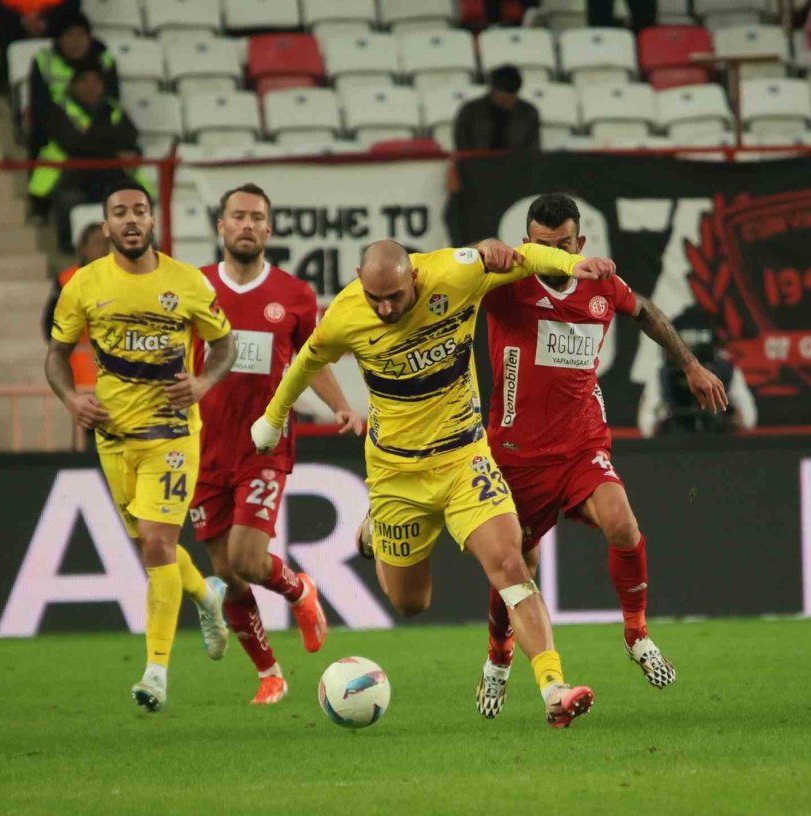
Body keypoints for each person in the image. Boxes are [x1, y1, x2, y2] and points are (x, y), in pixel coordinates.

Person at [252, 237, 618, 728]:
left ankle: (553, 687)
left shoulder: (455, 273)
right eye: (374, 297)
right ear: (360, 281)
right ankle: (374, 530)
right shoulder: (344, 314)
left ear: (415, 279)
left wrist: (575, 264)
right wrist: (272, 419)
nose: (384, 308)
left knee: (510, 562)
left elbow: (529, 256)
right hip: (397, 475)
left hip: (464, 458)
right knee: (410, 603)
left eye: (395, 297)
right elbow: (307, 362)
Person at [469, 193, 726, 718]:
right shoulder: (508, 288)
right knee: (516, 565)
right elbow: (458, 271)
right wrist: (483, 250)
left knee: (622, 523)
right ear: (528, 245)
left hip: (582, 445)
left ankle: (636, 634)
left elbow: (648, 313)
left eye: (564, 245)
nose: (556, 255)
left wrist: (691, 367)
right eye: (543, 247)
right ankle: (499, 656)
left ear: (579, 242)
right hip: (515, 457)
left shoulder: (601, 284)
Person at [45, 181, 237, 712]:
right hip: (113, 437)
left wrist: (202, 384)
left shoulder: (187, 282)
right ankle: (205, 594)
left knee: (156, 543)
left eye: (140, 211)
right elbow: (56, 355)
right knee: (151, 550)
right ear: (105, 227)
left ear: (152, 222)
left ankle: (155, 673)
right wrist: (69, 398)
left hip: (172, 435)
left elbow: (225, 345)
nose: (131, 220)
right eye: (119, 213)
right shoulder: (83, 285)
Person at [191, 183, 363, 704]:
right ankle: (271, 674)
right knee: (225, 571)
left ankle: (298, 589)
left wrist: (339, 405)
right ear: (221, 226)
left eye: (256, 217)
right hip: (201, 447)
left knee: (245, 557)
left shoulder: (294, 295)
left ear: (269, 229)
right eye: (237, 216)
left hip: (261, 447)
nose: (246, 224)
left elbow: (312, 360)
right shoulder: (195, 288)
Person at [28, 65, 144, 250]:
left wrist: (89, 137)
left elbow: (131, 137)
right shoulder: (59, 108)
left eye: (96, 81)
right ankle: (69, 247)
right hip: (72, 177)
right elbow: (71, 142)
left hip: (111, 177)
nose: (91, 86)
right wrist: (110, 143)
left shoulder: (113, 108)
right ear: (73, 85)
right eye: (85, 81)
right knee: (68, 200)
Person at [638, 305, 757, 437]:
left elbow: (748, 419)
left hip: (718, 442)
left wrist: (728, 416)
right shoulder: (664, 375)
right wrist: (667, 420)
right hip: (676, 446)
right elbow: (647, 425)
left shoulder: (726, 371)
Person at [29, 9, 119, 161]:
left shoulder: (105, 59)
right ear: (59, 38)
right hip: (56, 138)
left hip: (99, 139)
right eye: (68, 35)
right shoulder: (43, 60)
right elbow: (40, 111)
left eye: (81, 35)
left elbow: (112, 103)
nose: (75, 41)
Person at [41, 221, 109, 392]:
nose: (103, 249)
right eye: (97, 243)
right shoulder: (67, 280)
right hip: (78, 371)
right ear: (83, 249)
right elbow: (50, 324)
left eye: (106, 244)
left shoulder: (122, 280)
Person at [453, 65, 541, 154]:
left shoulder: (528, 113)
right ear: (492, 91)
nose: (506, 102)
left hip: (517, 165)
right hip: (477, 164)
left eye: (511, 98)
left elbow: (532, 150)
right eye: (502, 98)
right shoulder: (470, 112)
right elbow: (462, 149)